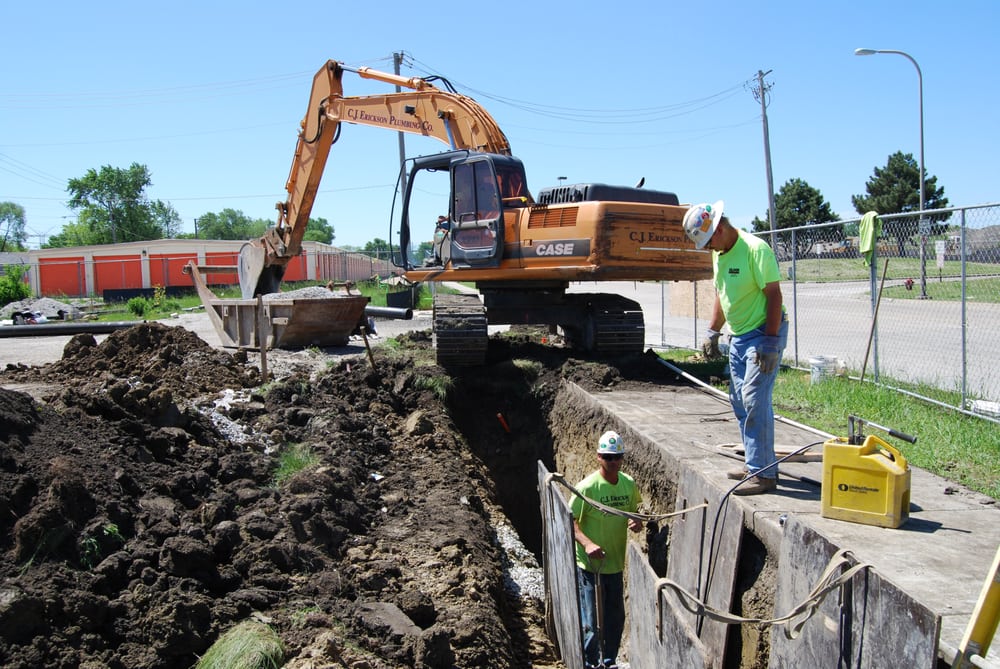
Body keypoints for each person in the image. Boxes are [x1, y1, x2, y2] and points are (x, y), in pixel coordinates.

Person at [683, 201, 788, 495]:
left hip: (764, 333)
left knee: (755, 399)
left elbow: (774, 296)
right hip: (739, 336)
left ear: (719, 227)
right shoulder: (720, 255)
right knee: (740, 401)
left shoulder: (756, 249)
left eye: (708, 242)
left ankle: (763, 475)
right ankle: (755, 461)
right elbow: (722, 294)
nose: (708, 249)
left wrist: (770, 342)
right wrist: (712, 332)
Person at [570, 430, 643, 669]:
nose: (613, 462)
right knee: (590, 618)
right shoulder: (588, 488)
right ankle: (591, 662)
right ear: (598, 457)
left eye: (617, 457)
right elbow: (571, 522)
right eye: (607, 457)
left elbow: (635, 514)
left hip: (614, 563)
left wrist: (636, 522)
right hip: (590, 565)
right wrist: (588, 543)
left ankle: (609, 659)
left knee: (615, 617)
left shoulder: (628, 484)